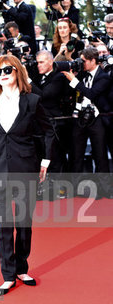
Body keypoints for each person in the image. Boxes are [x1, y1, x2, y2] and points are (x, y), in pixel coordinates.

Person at [0, 55, 54, 294]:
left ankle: (22, 268)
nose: (2, 74)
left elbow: (49, 131)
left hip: (25, 168)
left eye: (7, 69)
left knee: (24, 222)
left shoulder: (32, 101)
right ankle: (8, 275)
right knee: (3, 224)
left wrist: (45, 161)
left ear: (18, 72)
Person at [62, 46, 113, 198]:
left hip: (97, 118)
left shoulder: (104, 76)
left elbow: (90, 93)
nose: (81, 63)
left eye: (83, 61)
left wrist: (74, 81)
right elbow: (73, 92)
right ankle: (76, 188)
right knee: (76, 154)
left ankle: (105, 189)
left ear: (92, 61)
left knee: (100, 154)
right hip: (80, 118)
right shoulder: (82, 74)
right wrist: (74, 77)